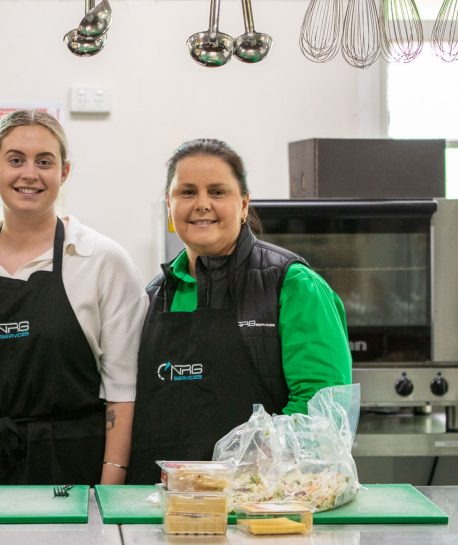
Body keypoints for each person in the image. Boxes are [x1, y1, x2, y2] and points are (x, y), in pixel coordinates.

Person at [0, 109, 149, 486]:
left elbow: (122, 392)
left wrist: (109, 491)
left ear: (64, 172)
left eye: (44, 162)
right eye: (15, 160)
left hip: (71, 469)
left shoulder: (101, 259)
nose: (29, 174)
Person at [127, 138, 353, 484]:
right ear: (169, 206)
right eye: (187, 192)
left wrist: (243, 472)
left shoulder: (291, 284)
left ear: (244, 204)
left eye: (217, 192)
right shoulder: (154, 295)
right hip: (164, 503)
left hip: (262, 506)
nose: (202, 204)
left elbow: (322, 409)